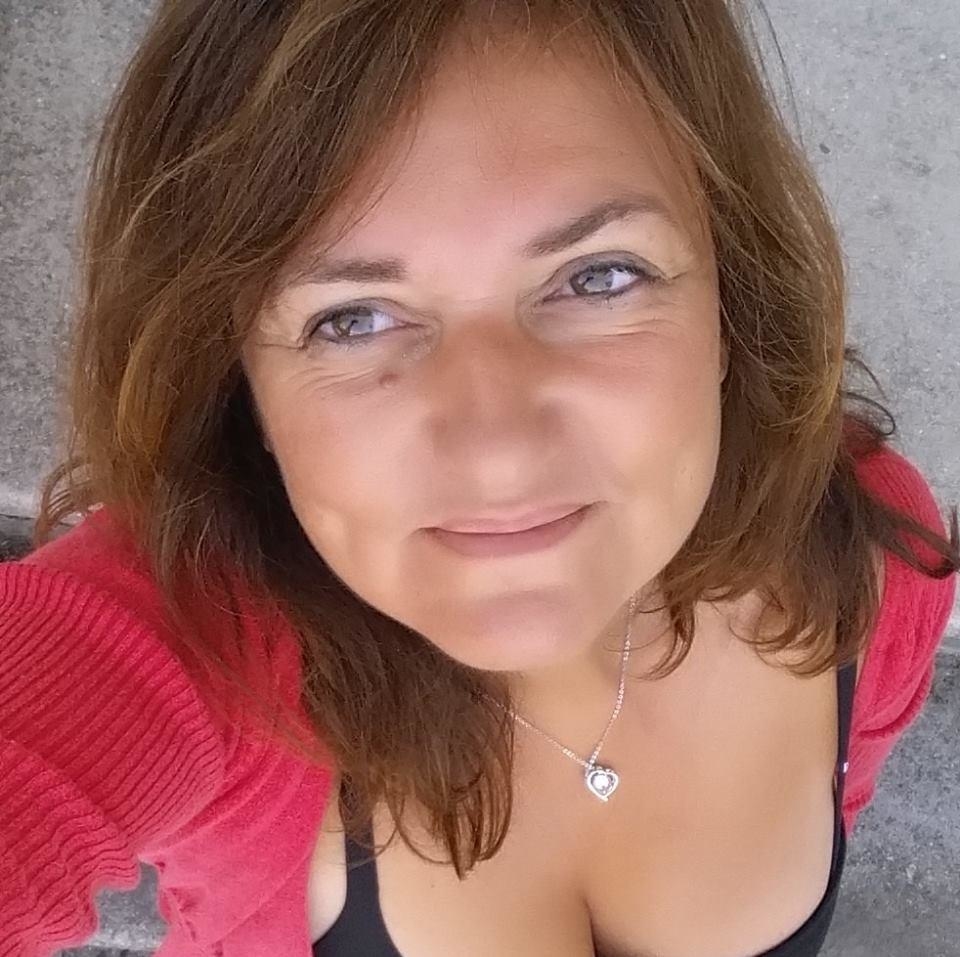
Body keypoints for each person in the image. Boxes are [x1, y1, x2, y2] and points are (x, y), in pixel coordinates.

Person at [1, 1, 957, 955]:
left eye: (598, 276)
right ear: (238, 378)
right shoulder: (192, 633)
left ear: (729, 294)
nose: (499, 450)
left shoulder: (869, 555)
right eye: (352, 318)